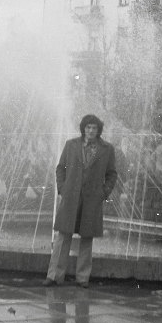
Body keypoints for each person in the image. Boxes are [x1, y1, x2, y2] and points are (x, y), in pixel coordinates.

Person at [43, 114, 118, 288]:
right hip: (71, 197)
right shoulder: (71, 145)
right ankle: (54, 276)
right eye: (88, 127)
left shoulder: (107, 149)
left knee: (87, 238)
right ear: (83, 129)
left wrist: (104, 193)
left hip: (92, 199)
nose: (91, 131)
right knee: (63, 236)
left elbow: (112, 173)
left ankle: (82, 278)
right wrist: (62, 188)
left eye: (94, 128)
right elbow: (60, 168)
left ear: (98, 130)